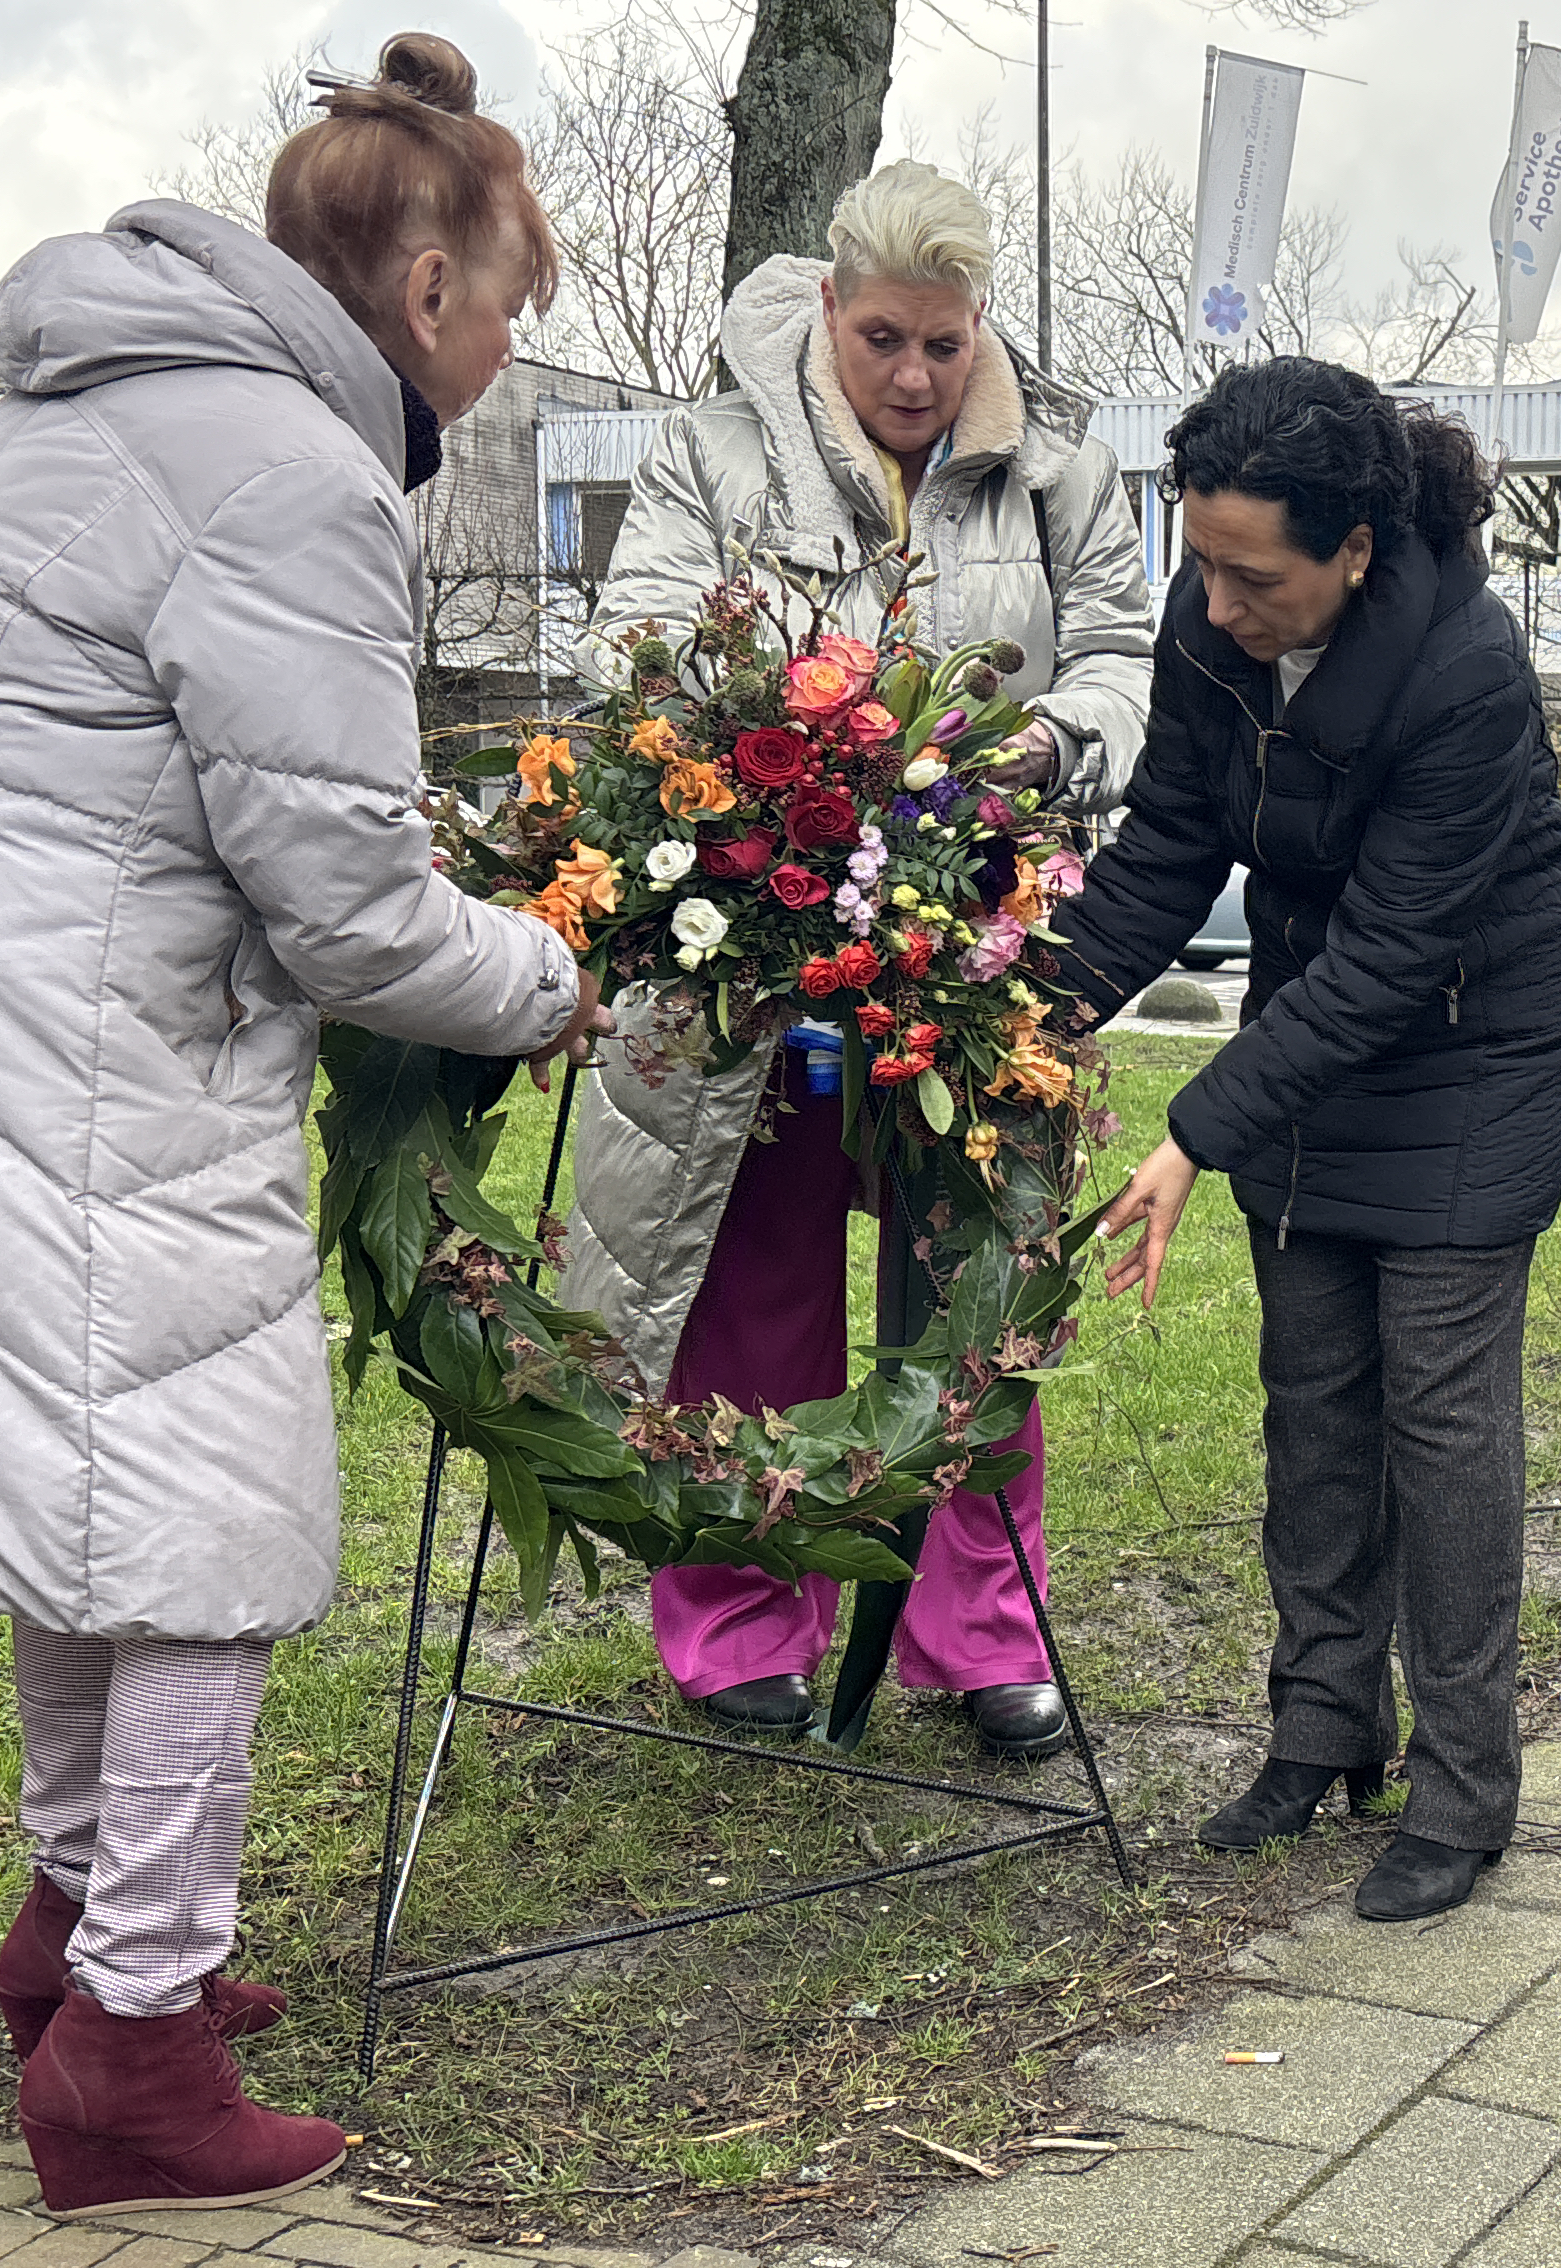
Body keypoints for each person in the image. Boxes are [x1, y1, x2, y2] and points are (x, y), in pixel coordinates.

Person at [0, 35, 612, 2214]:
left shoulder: (79, 415)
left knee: (80, 1498)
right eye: (505, 307)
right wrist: (552, 979)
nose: (496, 358)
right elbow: (351, 910)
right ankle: (137, 2044)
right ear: (431, 286)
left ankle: (80, 1929)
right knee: (200, 1530)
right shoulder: (286, 470)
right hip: (86, 1061)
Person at [561, 161, 1155, 1757]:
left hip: (978, 941)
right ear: (826, 310)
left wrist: (1038, 747)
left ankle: (983, 1625)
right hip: (758, 937)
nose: (913, 377)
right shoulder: (709, 452)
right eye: (884, 338)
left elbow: (1121, 660)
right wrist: (793, 742)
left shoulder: (1059, 479)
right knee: (749, 1282)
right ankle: (747, 1611)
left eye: (945, 346)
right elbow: (643, 644)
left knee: (980, 1287)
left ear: (982, 331)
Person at [1045, 357, 1561, 1923]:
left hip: (1481, 1024)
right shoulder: (1206, 625)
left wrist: (1192, 1135)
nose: (1218, 603)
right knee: (1312, 1387)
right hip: (1328, 1009)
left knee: (1437, 1405)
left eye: (1256, 574)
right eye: (1199, 559)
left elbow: (1396, 951)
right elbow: (1167, 844)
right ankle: (1322, 1725)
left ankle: (1465, 1784)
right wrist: (1032, 1018)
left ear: (1356, 547)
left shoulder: (1466, 669)